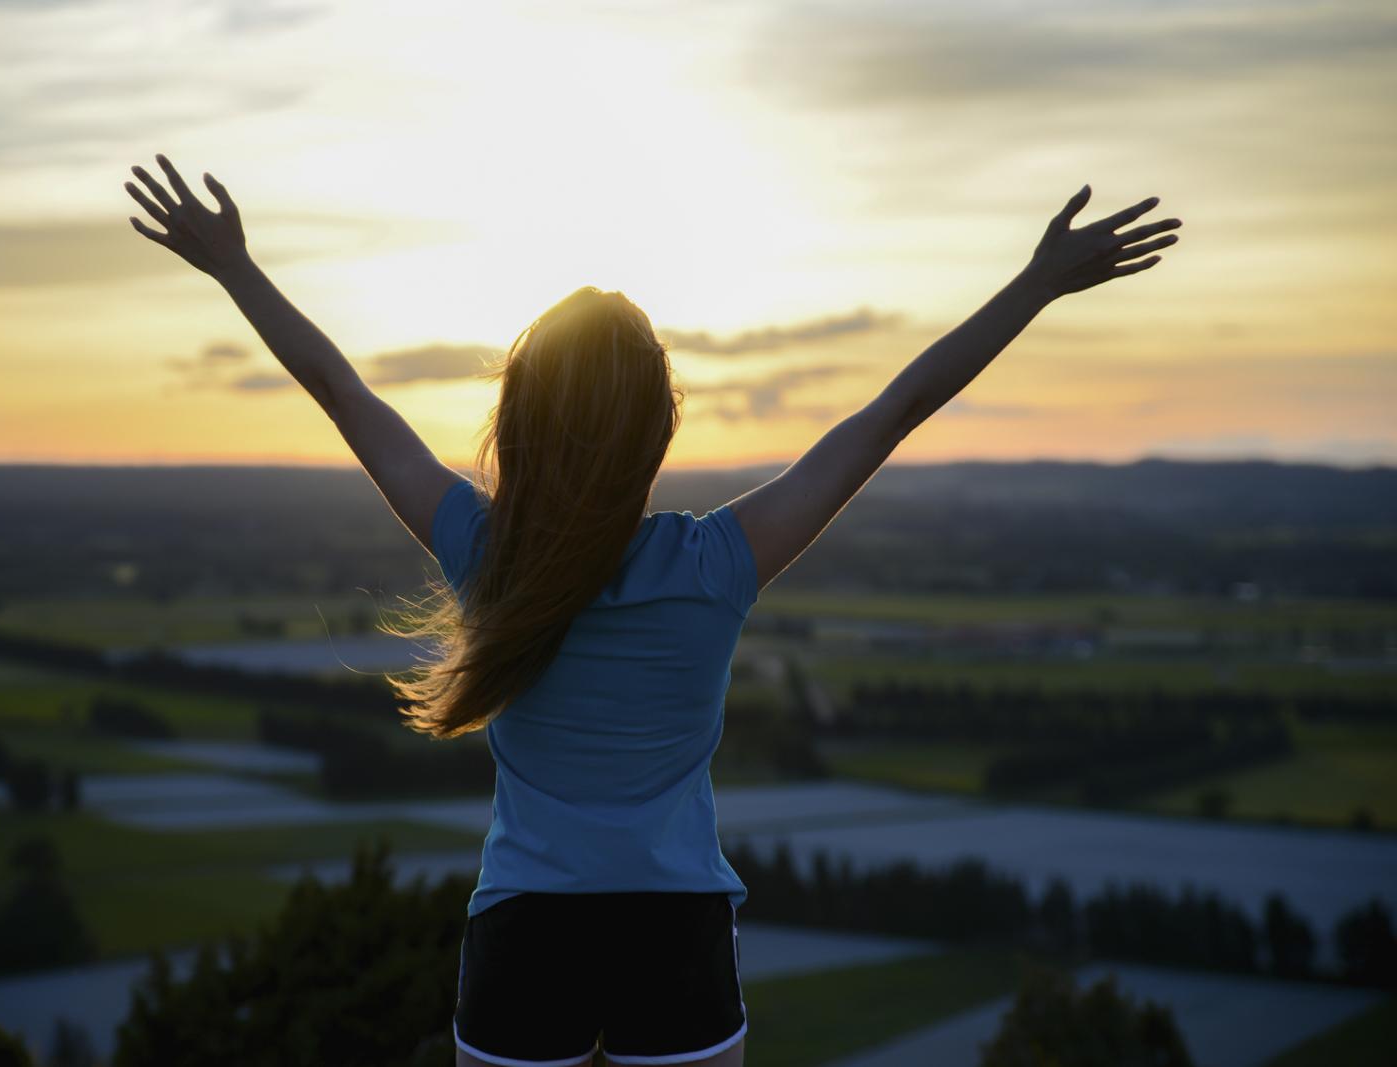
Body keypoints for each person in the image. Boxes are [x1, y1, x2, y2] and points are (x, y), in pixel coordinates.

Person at [125, 155, 1181, 1067]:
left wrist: (235, 268)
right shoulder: (719, 559)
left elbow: (342, 392)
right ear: (657, 430)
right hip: (673, 930)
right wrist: (1035, 285)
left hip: (522, 932)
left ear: (520, 422)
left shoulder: (486, 551)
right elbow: (892, 412)